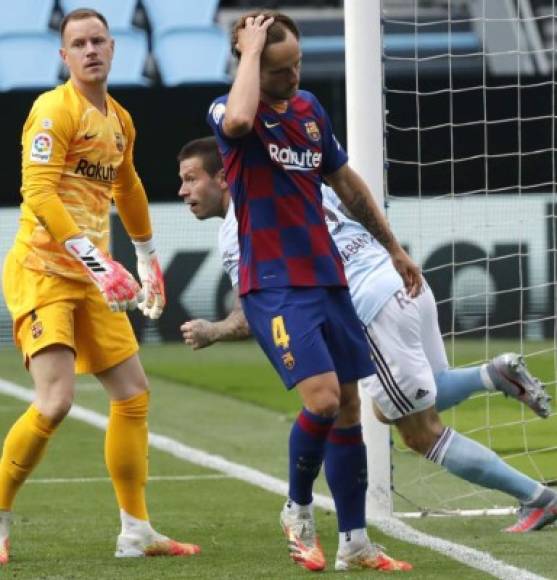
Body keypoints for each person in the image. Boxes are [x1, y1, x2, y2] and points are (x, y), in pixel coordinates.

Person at [176, 135, 556, 535]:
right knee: (400, 401)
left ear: (222, 177)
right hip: (403, 280)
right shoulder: (296, 180)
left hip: (368, 308)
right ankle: (491, 375)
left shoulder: (239, 228)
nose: (183, 191)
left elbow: (255, 312)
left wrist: (212, 331)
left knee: (419, 432)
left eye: (190, 178)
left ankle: (538, 499)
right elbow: (353, 200)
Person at [207, 11, 419, 572]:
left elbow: (345, 182)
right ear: (251, 62)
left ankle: (355, 541)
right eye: (280, 69)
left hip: (326, 277)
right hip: (272, 284)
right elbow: (237, 122)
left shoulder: (309, 112)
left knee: (348, 406)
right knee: (322, 399)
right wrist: (251, 54)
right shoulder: (230, 111)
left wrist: (394, 247)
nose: (294, 77)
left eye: (297, 64)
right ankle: (297, 508)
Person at [0, 9, 200, 565]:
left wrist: (147, 255)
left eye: (98, 41)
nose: (90, 50)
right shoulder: (51, 110)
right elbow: (37, 195)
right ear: (63, 57)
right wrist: (96, 261)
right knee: (56, 401)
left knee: (132, 394)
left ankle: (136, 530)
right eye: (78, 44)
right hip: (43, 270)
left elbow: (128, 184)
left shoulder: (120, 119)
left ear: (114, 48)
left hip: (92, 275)